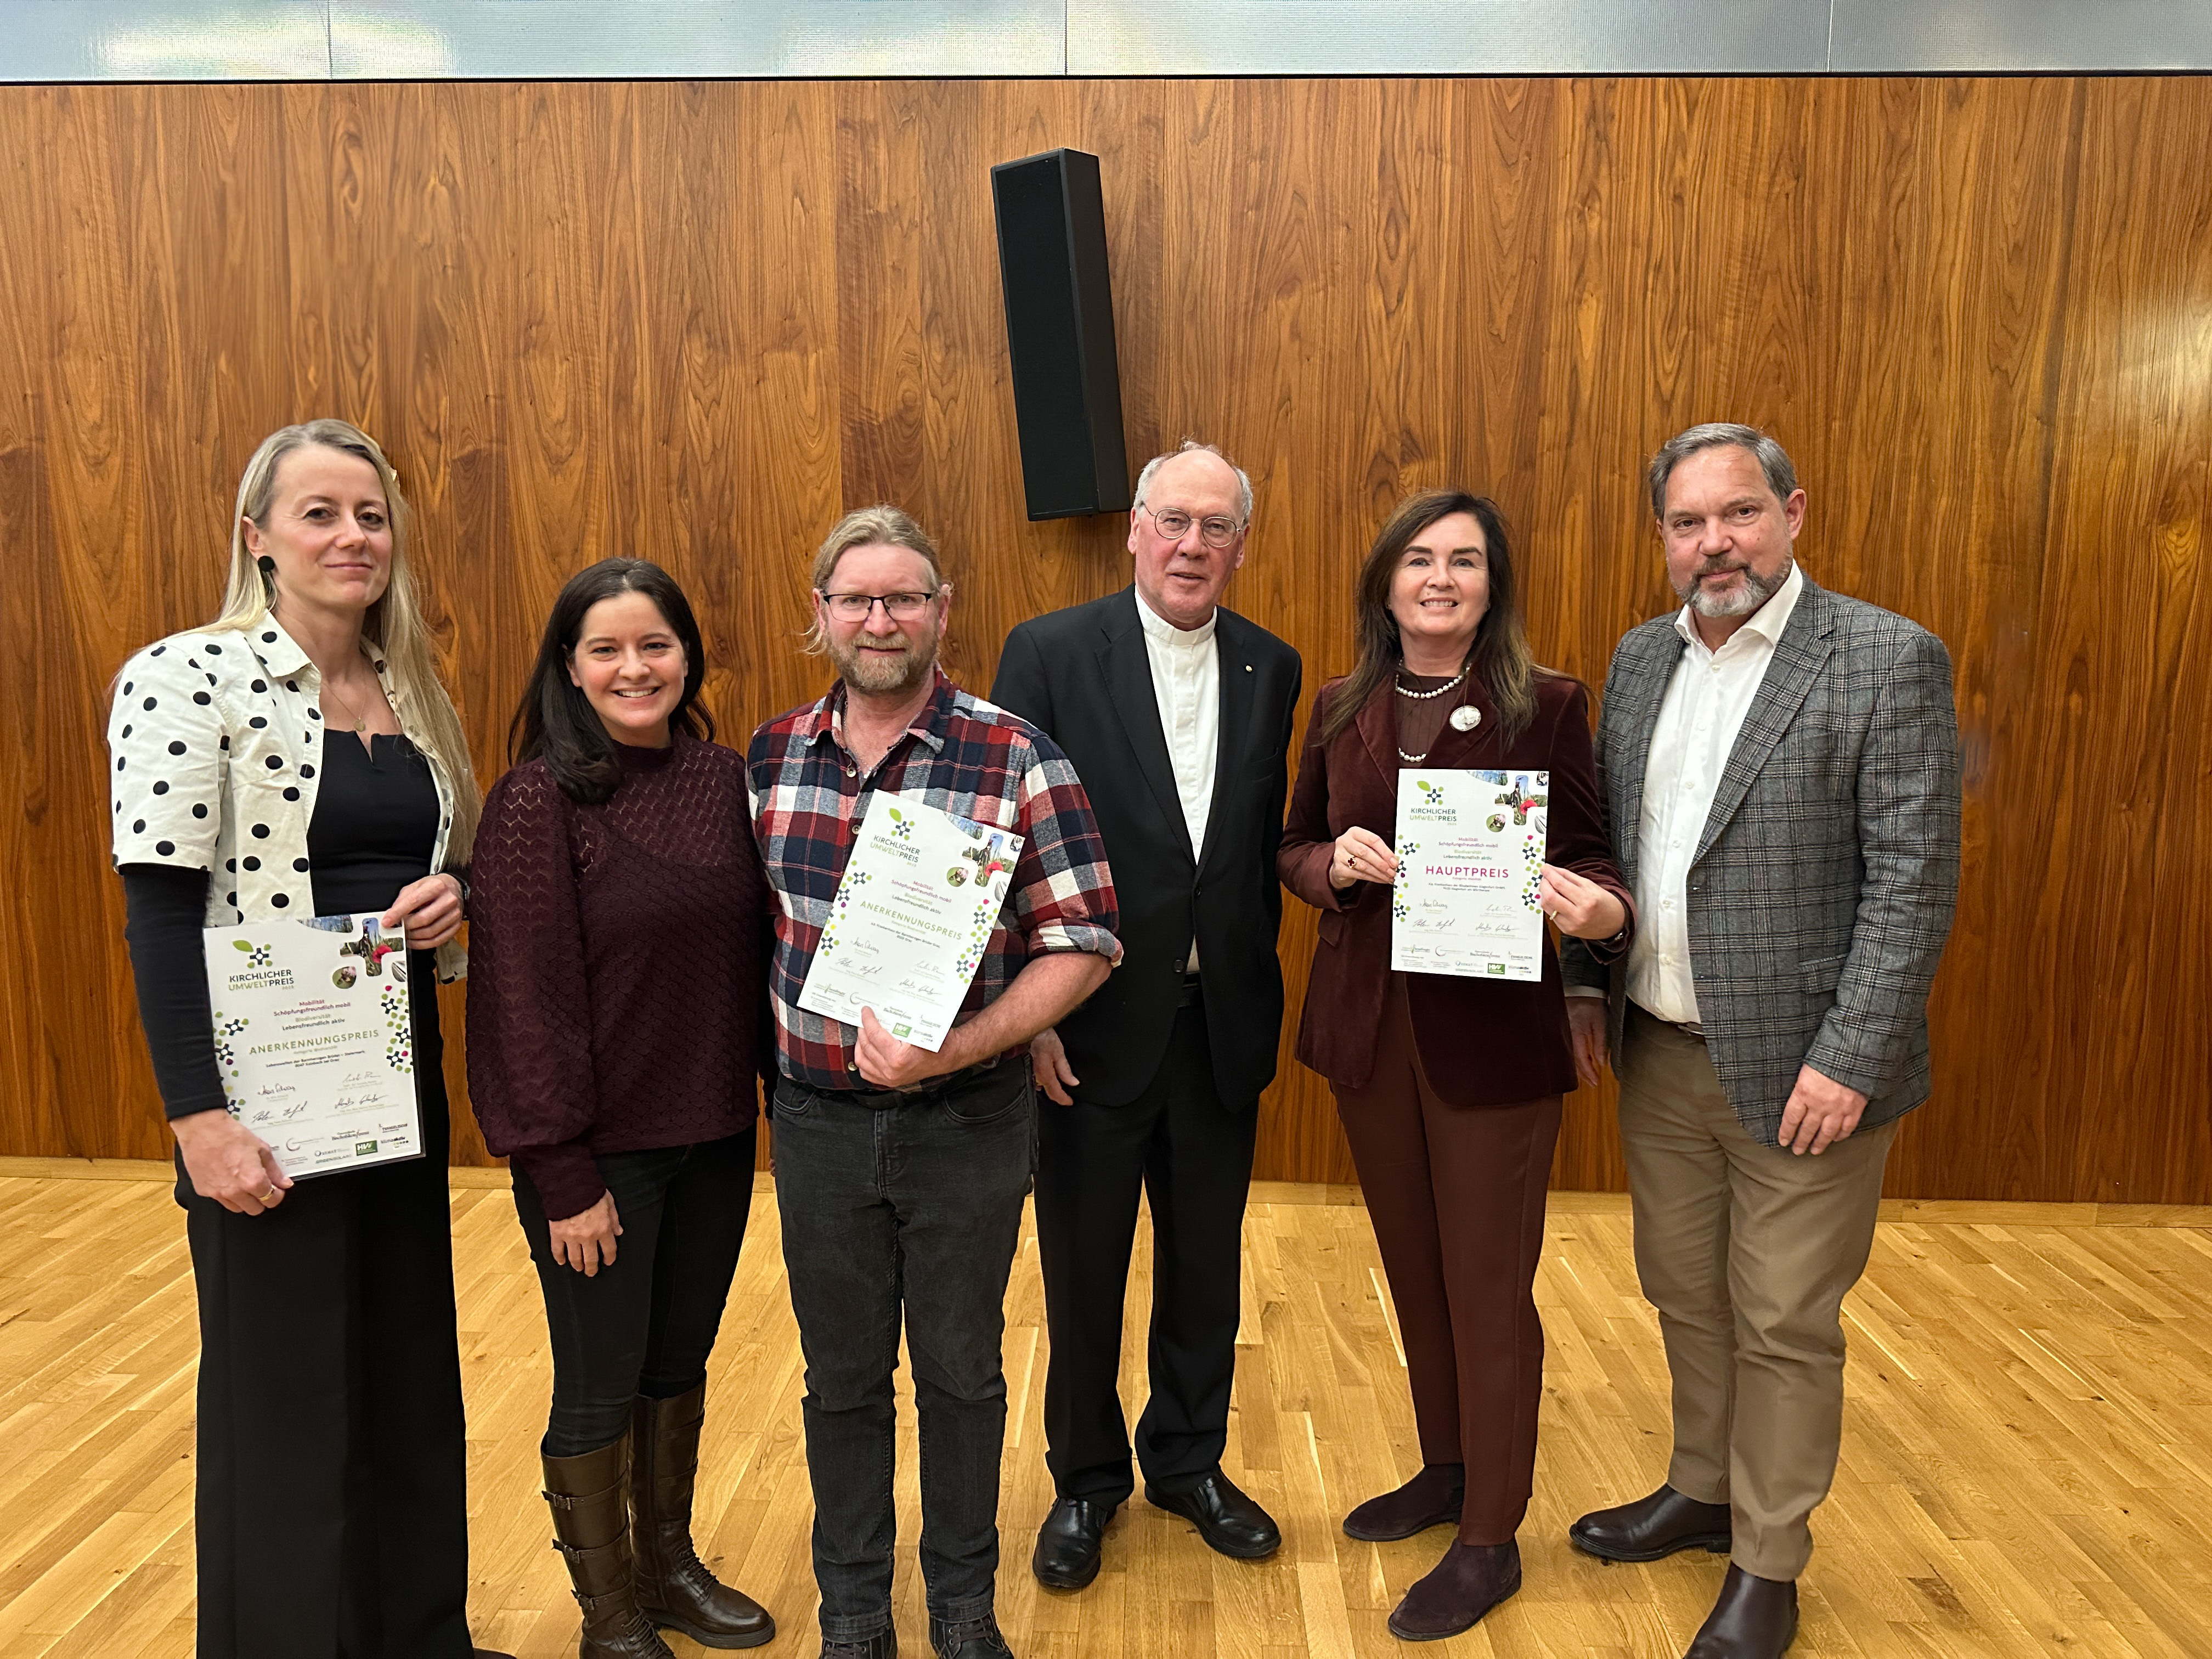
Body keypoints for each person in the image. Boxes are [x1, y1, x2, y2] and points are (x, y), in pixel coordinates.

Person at [106, 420, 507, 1658]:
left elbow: (443, 866)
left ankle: (419, 1638)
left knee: (406, 1375)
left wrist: (456, 897)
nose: (352, 537)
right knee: (285, 1400)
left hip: (390, 1083)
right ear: (259, 538)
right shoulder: (187, 675)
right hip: (265, 1097)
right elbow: (158, 915)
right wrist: (199, 1120)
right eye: (320, 513)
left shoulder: (412, 692)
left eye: (371, 515)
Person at [1560, 424, 1960, 1659]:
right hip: (1660, 1048)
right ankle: (1702, 1487)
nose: (1715, 543)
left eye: (1739, 513)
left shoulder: (1884, 658)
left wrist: (1851, 1058)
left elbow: (1914, 881)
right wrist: (1586, 991)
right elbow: (1610, 850)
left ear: (1794, 513)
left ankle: (1769, 1562)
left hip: (1806, 1071)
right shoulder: (1642, 659)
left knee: (1784, 1318)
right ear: (1663, 538)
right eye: (1688, 523)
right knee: (1685, 1290)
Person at [747, 506, 1122, 1659]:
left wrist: (963, 1046)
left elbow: (1086, 940)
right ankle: (854, 1613)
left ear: (942, 612)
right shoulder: (770, 757)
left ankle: (963, 1610)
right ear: (821, 614)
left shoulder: (1017, 756)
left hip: (966, 1123)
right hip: (816, 1127)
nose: (880, 619)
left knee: (962, 1377)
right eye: (856, 598)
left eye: (904, 597)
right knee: (842, 1383)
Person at [1277, 488, 1634, 1641]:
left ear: (1494, 586)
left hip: (1491, 1044)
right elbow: (1291, 845)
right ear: (1385, 583)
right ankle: (1446, 1468)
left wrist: (1597, 913)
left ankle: (1490, 1535)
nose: (1441, 579)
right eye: (1420, 559)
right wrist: (1334, 864)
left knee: (1488, 1287)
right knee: (1415, 1270)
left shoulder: (1549, 705)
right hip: (1369, 1034)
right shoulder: (1340, 705)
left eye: (1466, 561)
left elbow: (1593, 862)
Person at [989, 441, 1301, 1587]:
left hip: (1220, 1026)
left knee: (1207, 1266)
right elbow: (1002, 840)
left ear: (1241, 545)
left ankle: (1187, 1460)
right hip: (1087, 1027)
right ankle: (1085, 1480)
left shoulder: (1272, 666)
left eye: (1216, 526)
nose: (1192, 544)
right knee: (1084, 1269)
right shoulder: (1050, 653)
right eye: (1174, 520)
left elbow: (1249, 849)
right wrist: (1029, 1014)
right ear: (1134, 529)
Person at [467, 558, 777, 1658]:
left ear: (688, 656)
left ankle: (666, 1569)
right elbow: (522, 1001)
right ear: (569, 666)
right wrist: (562, 1172)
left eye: (655, 644)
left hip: (716, 1137)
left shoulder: (727, 780)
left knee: (677, 1365)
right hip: (600, 1159)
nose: (634, 667)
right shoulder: (535, 802)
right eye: (606, 648)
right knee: (599, 1382)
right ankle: (607, 1618)